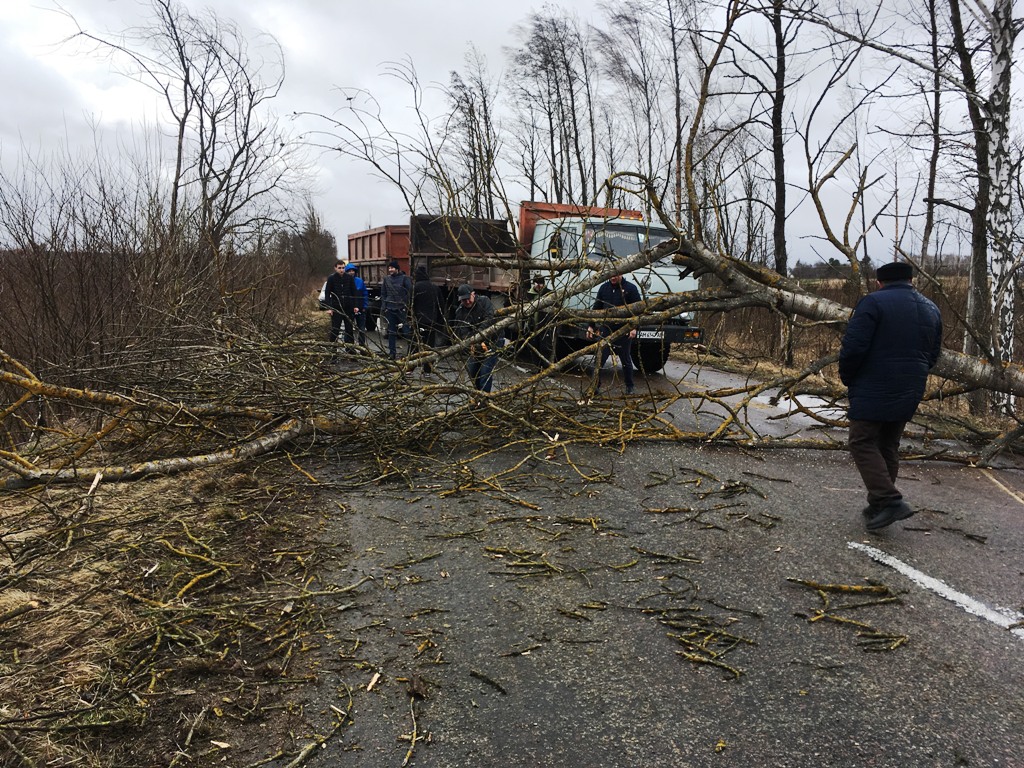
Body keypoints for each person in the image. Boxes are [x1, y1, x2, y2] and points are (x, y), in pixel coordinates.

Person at [839, 260, 943, 531]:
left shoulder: (873, 303)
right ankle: (878, 505)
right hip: (911, 387)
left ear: (879, 282)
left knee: (861, 440)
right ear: (911, 281)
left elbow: (854, 347)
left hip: (874, 384)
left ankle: (889, 501)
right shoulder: (931, 308)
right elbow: (933, 353)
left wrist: (849, 377)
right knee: (887, 444)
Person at [587, 273, 641, 395]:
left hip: (624, 330)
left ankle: (630, 386)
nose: (612, 277)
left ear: (621, 274)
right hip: (606, 330)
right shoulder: (604, 288)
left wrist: (634, 327)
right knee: (599, 359)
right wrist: (591, 326)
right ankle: (595, 386)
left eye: (615, 275)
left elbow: (638, 310)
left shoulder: (631, 289)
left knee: (626, 360)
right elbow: (597, 307)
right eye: (611, 275)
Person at [452, 284, 498, 392]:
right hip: (474, 344)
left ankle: (484, 399)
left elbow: (489, 318)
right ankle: (477, 394)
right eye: (464, 300)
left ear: (473, 294)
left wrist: (479, 335)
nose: (467, 302)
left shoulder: (484, 302)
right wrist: (471, 341)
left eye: (468, 298)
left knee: (485, 372)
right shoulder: (460, 312)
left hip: (492, 340)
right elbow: (462, 331)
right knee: (473, 372)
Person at [412, 265, 443, 373]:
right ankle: (428, 370)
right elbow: (441, 306)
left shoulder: (415, 288)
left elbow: (410, 305)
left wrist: (410, 319)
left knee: (414, 345)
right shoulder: (435, 287)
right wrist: (440, 321)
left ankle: (409, 368)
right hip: (431, 322)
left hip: (418, 321)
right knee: (429, 347)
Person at [380, 259, 413, 359]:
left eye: (392, 268)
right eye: (389, 268)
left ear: (397, 269)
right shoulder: (386, 279)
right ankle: (392, 353)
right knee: (391, 332)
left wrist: (405, 304)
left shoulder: (405, 279)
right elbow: (383, 293)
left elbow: (410, 292)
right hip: (390, 308)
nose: (390, 270)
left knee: (407, 332)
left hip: (401, 309)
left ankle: (411, 352)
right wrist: (384, 306)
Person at [322, 261, 358, 350]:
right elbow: (327, 293)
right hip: (336, 308)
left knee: (349, 330)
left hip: (348, 307)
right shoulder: (331, 278)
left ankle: (350, 350)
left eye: (343, 268)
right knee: (335, 329)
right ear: (335, 268)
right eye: (339, 268)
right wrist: (329, 308)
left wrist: (355, 306)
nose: (341, 270)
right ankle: (332, 351)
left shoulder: (349, 278)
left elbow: (354, 292)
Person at [344, 263, 369, 346]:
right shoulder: (344, 282)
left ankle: (362, 347)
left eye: (353, 271)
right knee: (348, 329)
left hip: (360, 308)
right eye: (349, 271)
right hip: (348, 309)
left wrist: (365, 306)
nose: (351, 272)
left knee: (361, 329)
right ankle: (349, 348)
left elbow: (365, 294)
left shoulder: (360, 281)